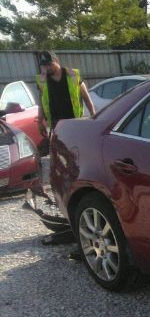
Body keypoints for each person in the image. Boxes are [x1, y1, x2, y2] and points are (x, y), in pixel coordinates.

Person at [34, 50, 97, 251]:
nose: (47, 68)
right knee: (60, 161)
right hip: (57, 127)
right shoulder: (44, 80)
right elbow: (42, 101)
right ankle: (64, 192)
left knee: (76, 160)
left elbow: (85, 97)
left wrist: (93, 116)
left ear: (56, 61)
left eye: (49, 65)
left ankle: (78, 188)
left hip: (74, 125)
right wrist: (39, 120)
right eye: (44, 66)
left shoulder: (72, 75)